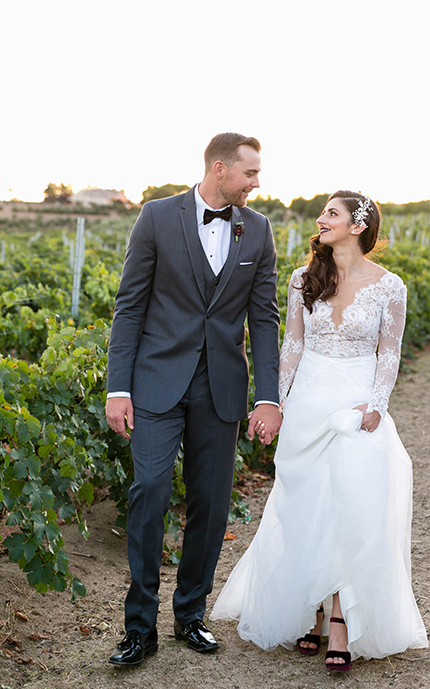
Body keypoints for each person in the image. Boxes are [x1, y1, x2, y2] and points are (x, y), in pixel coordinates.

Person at [211, 190, 429, 672]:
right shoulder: (301, 280)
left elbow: (389, 351)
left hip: (354, 406)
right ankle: (310, 608)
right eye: (323, 212)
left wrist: (376, 405)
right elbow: (292, 344)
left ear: (357, 226)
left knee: (347, 505)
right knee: (304, 505)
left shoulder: (390, 286)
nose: (320, 219)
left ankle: (339, 619)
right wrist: (279, 402)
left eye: (332, 213)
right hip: (307, 401)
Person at [106, 132, 282, 667]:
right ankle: (140, 627)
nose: (257, 183)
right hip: (157, 382)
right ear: (221, 168)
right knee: (150, 492)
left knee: (210, 504)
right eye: (251, 173)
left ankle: (189, 615)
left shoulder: (260, 230)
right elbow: (130, 305)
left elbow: (265, 318)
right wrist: (118, 386)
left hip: (222, 387)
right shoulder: (157, 217)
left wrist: (269, 397)